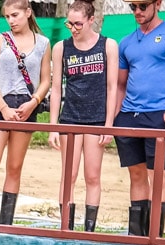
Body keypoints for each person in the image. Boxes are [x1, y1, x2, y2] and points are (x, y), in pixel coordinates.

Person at [114, 0, 165, 236]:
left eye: (142, 5)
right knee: (136, 175)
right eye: (133, 7)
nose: (137, 11)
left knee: (157, 177)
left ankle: (154, 238)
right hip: (129, 115)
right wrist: (115, 118)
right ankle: (136, 236)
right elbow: (120, 84)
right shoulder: (126, 41)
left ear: (157, 3)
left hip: (159, 115)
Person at [0, 0, 50, 225]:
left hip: (26, 106)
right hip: (0, 104)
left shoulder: (43, 43)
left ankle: (6, 223)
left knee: (14, 167)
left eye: (15, 15)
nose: (11, 20)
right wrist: (3, 107)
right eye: (7, 17)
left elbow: (45, 80)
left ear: (28, 13)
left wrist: (34, 102)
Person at [48, 0, 117, 232]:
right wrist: (53, 126)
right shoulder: (61, 48)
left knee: (92, 176)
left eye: (78, 24)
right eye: (70, 23)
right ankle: (65, 227)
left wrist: (109, 124)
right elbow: (56, 88)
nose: (74, 28)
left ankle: (90, 230)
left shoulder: (108, 46)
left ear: (91, 20)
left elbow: (112, 87)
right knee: (69, 175)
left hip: (97, 120)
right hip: (70, 119)